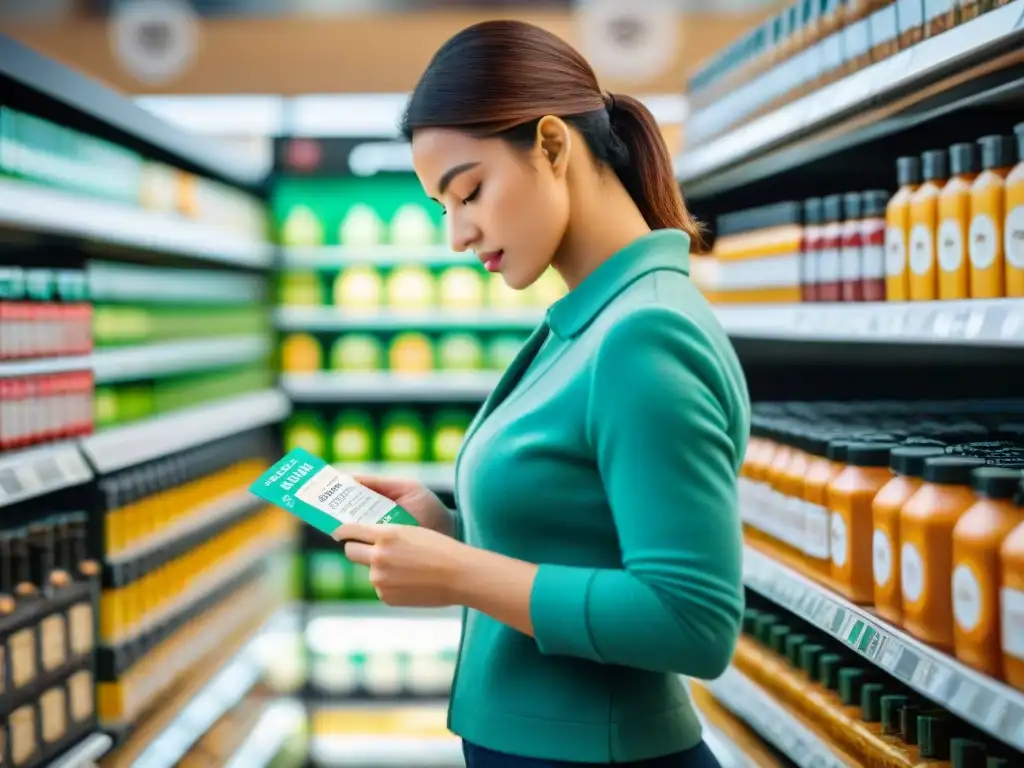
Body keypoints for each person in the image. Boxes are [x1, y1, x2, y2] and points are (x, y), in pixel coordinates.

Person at [335, 18, 750, 768]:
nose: (456, 235)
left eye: (469, 193)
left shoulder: (642, 335)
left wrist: (461, 574)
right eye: (443, 208)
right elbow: (580, 537)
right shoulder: (587, 322)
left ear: (553, 146)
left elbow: (693, 620)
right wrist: (450, 531)